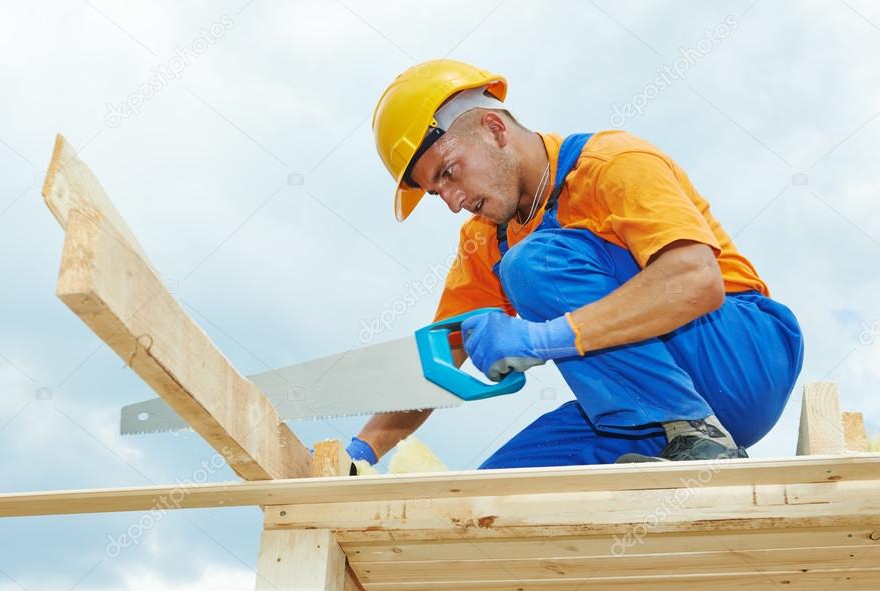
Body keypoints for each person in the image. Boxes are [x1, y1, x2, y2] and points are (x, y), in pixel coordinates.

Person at [344, 59, 803, 469]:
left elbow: (696, 280)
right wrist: (361, 451)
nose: (451, 201)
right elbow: (443, 357)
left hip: (739, 357)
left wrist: (541, 338)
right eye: (435, 191)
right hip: (644, 412)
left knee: (532, 263)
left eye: (448, 173)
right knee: (484, 504)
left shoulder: (613, 163)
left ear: (493, 129)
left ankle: (692, 430)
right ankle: (675, 433)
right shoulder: (484, 238)